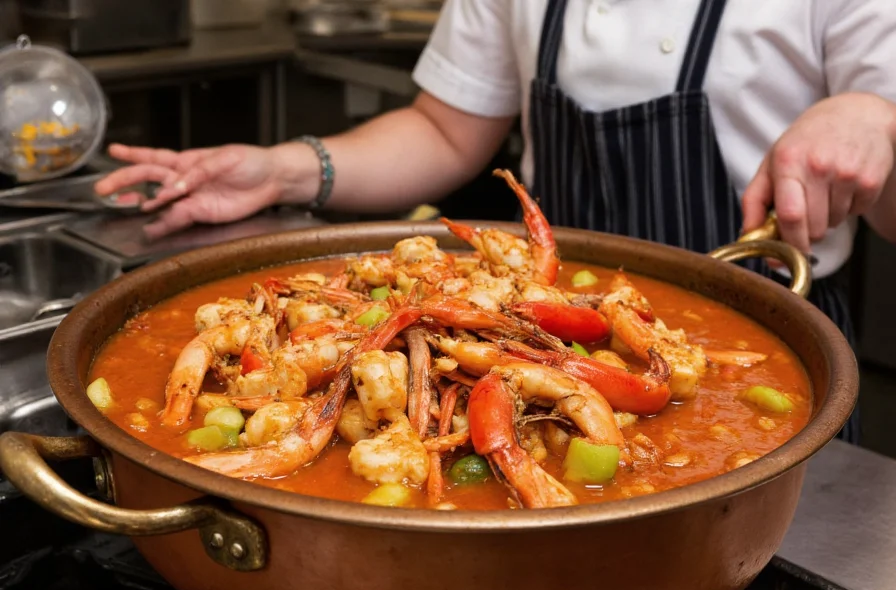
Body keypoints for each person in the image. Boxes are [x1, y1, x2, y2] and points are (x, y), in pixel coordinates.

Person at [95, 0, 896, 444]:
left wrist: (878, 119)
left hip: (763, 323)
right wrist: (284, 168)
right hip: (518, 309)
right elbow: (447, 131)